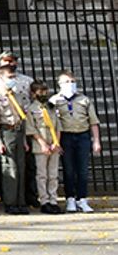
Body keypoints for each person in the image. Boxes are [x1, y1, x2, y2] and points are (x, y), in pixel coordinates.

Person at [50, 70, 102, 213]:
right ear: (60, 84)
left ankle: (82, 199)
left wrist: (96, 141)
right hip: (65, 136)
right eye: (67, 82)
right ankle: (70, 199)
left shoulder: (84, 99)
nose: (70, 84)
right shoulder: (55, 100)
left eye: (72, 81)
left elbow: (93, 122)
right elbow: (51, 122)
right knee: (68, 169)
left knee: (83, 170)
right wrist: (56, 141)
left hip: (82, 136)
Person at [0, 55, 29, 214]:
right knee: (9, 168)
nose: (11, 80)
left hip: (19, 131)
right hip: (6, 130)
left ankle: (21, 201)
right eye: (7, 78)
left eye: (13, 77)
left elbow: (24, 116)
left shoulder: (19, 94)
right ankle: (10, 202)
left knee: (21, 167)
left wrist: (24, 139)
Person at [26, 81, 62, 214]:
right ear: (33, 93)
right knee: (42, 175)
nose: (43, 94)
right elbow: (32, 129)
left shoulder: (51, 107)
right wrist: (43, 143)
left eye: (45, 91)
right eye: (40, 92)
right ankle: (44, 201)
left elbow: (58, 126)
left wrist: (56, 142)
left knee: (53, 174)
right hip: (40, 146)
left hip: (54, 145)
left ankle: (53, 200)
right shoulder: (31, 109)